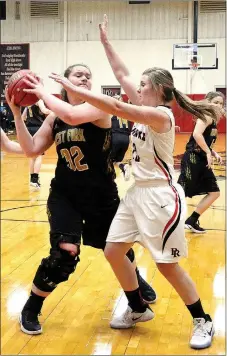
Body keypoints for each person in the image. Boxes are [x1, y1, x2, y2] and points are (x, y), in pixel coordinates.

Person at [24, 15, 222, 350]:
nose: (137, 88)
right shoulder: (146, 102)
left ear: (158, 90)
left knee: (166, 266)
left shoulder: (161, 115)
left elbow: (113, 104)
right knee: (114, 251)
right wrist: (105, 42)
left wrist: (59, 91)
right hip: (135, 196)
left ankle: (202, 319)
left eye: (144, 85)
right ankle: (138, 308)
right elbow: (121, 75)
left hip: (160, 198)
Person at [5, 63, 156, 335]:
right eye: (78, 75)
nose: (85, 78)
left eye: (88, 75)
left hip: (101, 194)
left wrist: (41, 92)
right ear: (65, 80)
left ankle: (136, 289)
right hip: (66, 195)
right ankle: (31, 307)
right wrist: (17, 114)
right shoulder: (53, 118)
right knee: (65, 253)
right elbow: (31, 150)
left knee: (115, 248)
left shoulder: (99, 107)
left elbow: (73, 116)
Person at [178, 91, 225, 233]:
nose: (218, 106)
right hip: (193, 158)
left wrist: (213, 152)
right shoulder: (206, 115)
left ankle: (192, 220)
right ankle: (160, 218)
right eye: (215, 102)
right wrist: (207, 151)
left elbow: (204, 139)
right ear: (208, 102)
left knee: (214, 192)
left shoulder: (213, 118)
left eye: (221, 103)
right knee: (180, 192)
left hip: (202, 159)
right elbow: (196, 135)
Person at [21, 99, 51, 188]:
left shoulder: (27, 102)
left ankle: (32, 179)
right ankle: (35, 179)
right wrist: (55, 112)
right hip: (38, 129)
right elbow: (44, 110)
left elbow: (23, 117)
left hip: (29, 129)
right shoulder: (38, 100)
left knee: (32, 156)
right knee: (39, 156)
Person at [111, 94, 131, 181]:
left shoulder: (111, 111)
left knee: (106, 160)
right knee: (116, 160)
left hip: (115, 137)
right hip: (126, 139)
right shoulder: (126, 113)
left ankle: (109, 178)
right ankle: (124, 166)